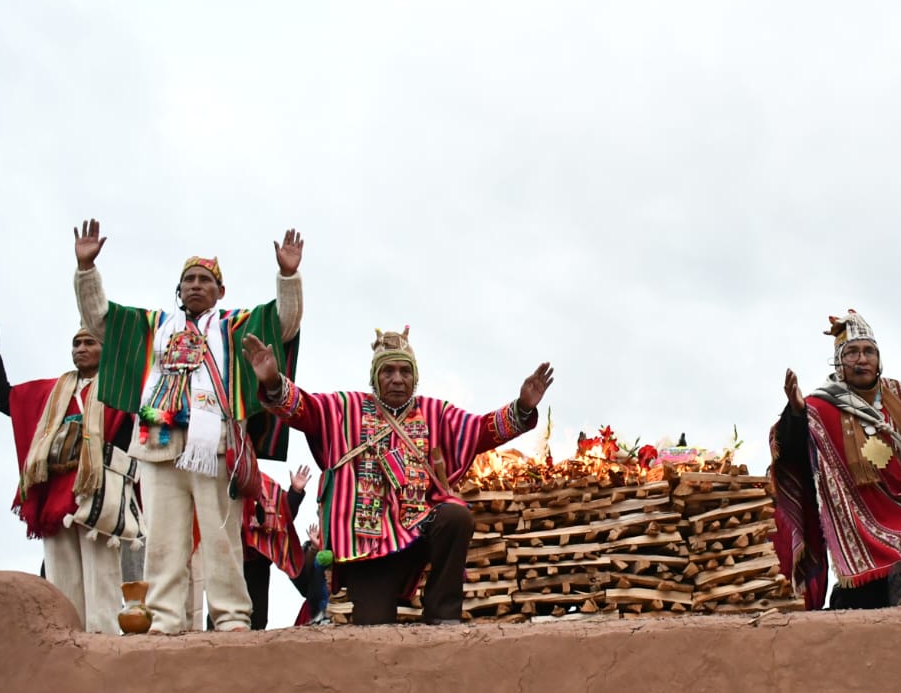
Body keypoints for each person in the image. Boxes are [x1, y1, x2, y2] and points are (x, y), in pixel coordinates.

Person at [73, 219, 305, 635]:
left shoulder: (235, 324)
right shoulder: (155, 326)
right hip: (158, 442)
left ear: (221, 291)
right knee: (161, 540)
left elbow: (284, 324)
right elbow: (100, 322)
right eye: (188, 280)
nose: (196, 286)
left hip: (211, 443)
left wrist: (288, 276)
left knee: (221, 538)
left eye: (205, 280)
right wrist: (87, 271)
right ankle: (162, 619)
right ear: (178, 291)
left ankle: (232, 618)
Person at [244, 326, 553, 625]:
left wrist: (523, 407)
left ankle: (443, 616)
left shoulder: (435, 413)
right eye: (388, 371)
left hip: (418, 528)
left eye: (405, 372)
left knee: (455, 517)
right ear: (375, 377)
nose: (396, 379)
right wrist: (272, 382)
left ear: (414, 377)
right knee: (374, 628)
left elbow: (479, 431)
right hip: (368, 544)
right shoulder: (343, 408)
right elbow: (304, 409)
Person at [770, 308, 901, 610]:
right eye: (853, 353)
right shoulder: (819, 405)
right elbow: (790, 450)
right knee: (863, 602)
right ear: (839, 361)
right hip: (855, 510)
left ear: (879, 359)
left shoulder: (898, 393)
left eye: (869, 352)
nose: (862, 359)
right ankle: (847, 613)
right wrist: (795, 411)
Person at [0, 317, 135, 633]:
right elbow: (5, 399)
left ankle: (103, 644)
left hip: (98, 490)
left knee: (101, 575)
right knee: (61, 579)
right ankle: (66, 643)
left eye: (90, 342)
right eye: (76, 343)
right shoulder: (52, 391)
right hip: (55, 493)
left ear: (106, 350)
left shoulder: (121, 389)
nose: (81, 348)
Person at [240, 467, 311, 631]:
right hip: (230, 556)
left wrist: (295, 491)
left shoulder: (265, 483)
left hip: (258, 559)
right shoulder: (222, 483)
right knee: (224, 613)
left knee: (257, 617)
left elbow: (282, 517)